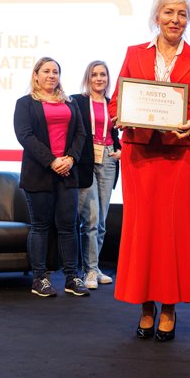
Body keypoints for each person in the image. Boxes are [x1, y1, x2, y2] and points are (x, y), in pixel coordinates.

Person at [108, 0, 190, 342]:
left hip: (179, 156)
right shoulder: (134, 53)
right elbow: (116, 102)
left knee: (173, 232)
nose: (175, 19)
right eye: (169, 12)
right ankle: (145, 306)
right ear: (157, 16)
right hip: (139, 155)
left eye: (182, 14)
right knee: (141, 232)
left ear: (188, 20)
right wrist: (119, 117)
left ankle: (169, 307)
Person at [14, 57, 90, 298]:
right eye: (46, 71)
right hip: (38, 173)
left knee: (69, 227)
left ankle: (72, 278)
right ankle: (40, 279)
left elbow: (80, 134)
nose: (51, 75)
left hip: (67, 172)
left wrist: (71, 158)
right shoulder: (25, 103)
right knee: (40, 226)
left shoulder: (70, 103)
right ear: (35, 75)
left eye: (55, 71)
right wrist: (52, 161)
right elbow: (25, 136)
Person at [71, 61, 121, 290]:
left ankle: (95, 267)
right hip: (86, 161)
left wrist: (120, 149)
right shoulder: (77, 101)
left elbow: (116, 133)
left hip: (108, 159)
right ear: (88, 78)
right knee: (90, 219)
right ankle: (89, 270)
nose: (99, 78)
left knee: (101, 222)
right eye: (94, 74)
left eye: (103, 74)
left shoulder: (113, 105)